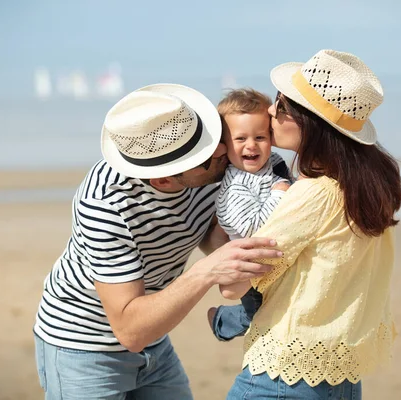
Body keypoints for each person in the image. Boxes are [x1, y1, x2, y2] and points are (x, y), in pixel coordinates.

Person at [32, 83, 283, 400]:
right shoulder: (107, 205)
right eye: (207, 156)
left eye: (214, 139)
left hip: (155, 336)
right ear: (164, 180)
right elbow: (130, 330)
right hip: (84, 347)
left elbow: (212, 232)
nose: (222, 152)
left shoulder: (210, 165)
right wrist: (206, 272)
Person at [224, 50, 401, 400]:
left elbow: (234, 285)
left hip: (283, 374)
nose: (271, 111)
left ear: (309, 123)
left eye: (281, 105)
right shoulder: (368, 189)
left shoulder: (312, 195)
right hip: (342, 375)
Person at [207, 88, 292, 342]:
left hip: (276, 258)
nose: (251, 145)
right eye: (240, 138)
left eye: (260, 137)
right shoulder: (233, 188)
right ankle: (221, 321)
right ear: (223, 145)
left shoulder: (273, 162)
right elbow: (252, 229)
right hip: (251, 267)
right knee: (256, 313)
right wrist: (280, 194)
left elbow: (289, 186)